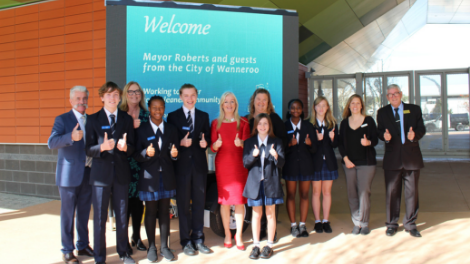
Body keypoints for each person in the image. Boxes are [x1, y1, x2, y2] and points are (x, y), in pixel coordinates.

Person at [85, 81, 136, 264]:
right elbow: (87, 149)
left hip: (121, 175)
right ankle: (100, 257)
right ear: (101, 97)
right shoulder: (92, 119)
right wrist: (101, 147)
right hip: (100, 176)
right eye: (108, 95)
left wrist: (125, 148)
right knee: (99, 219)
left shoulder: (126, 119)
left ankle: (123, 253)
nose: (112, 98)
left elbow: (133, 149)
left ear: (119, 97)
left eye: (115, 95)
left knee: (122, 216)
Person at [48, 85, 94, 264]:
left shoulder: (91, 120)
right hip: (68, 175)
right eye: (78, 99)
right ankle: (67, 250)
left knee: (83, 213)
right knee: (68, 214)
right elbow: (51, 142)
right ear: (71, 100)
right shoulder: (62, 119)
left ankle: (82, 245)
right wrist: (70, 137)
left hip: (88, 173)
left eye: (84, 99)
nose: (82, 102)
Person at [167, 83, 212, 256]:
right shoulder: (172, 117)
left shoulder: (203, 116)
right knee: (184, 205)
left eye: (192, 95)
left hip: (199, 167)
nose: (190, 98)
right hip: (182, 168)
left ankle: (198, 238)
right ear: (180, 97)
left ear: (196, 96)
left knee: (199, 203)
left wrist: (205, 142)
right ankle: (186, 241)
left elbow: (206, 136)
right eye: (186, 95)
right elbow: (169, 142)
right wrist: (180, 143)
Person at [134, 96, 179, 262]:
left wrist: (175, 155)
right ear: (149, 108)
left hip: (166, 176)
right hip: (149, 177)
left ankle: (165, 247)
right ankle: (152, 247)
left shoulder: (172, 129)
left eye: (161, 107)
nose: (158, 111)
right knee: (151, 212)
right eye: (154, 107)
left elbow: (175, 152)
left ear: (164, 108)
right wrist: (145, 153)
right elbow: (135, 154)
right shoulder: (141, 130)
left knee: (165, 211)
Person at [377, 84, 426, 238]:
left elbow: (421, 128)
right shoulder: (382, 112)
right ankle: (392, 224)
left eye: (396, 93)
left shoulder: (414, 109)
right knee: (392, 193)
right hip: (392, 159)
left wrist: (415, 135)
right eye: (390, 94)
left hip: (411, 157)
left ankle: (410, 224)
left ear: (401, 94)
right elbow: (379, 131)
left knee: (412, 193)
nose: (393, 96)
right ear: (387, 97)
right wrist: (383, 137)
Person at [210, 91, 251, 250]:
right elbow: (212, 147)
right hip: (223, 166)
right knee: (225, 202)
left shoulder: (244, 122)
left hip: (239, 166)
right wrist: (216, 146)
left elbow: (248, 147)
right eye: (226, 102)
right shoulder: (215, 123)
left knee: (240, 202)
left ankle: (239, 235)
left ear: (236, 104)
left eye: (232, 101)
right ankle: (227, 234)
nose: (229, 105)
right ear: (222, 105)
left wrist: (241, 143)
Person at [246, 88, 287, 241]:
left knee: (270, 202)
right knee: (257, 201)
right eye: (259, 99)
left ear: (268, 102)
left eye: (265, 100)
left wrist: (276, 156)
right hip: (254, 170)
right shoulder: (248, 120)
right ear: (253, 101)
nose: (261, 102)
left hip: (271, 168)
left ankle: (271, 232)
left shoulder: (274, 119)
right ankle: (260, 230)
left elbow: (283, 140)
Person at [243, 113, 285, 260]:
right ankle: (256, 245)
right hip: (255, 184)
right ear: (256, 126)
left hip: (271, 183)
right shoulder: (249, 142)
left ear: (269, 126)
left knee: (270, 214)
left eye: (265, 124)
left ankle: (269, 245)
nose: (262, 126)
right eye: (259, 124)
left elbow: (281, 164)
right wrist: (253, 155)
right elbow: (245, 163)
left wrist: (276, 156)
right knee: (256, 214)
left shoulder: (277, 142)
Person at [338, 94, 378, 235]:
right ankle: (356, 222)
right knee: (352, 192)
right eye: (352, 103)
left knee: (364, 193)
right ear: (349, 106)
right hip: (349, 163)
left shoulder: (369, 120)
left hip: (366, 163)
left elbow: (375, 139)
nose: (355, 106)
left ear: (361, 106)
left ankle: (364, 223)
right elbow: (340, 144)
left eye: (358, 103)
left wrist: (368, 142)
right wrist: (346, 159)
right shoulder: (344, 123)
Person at [120, 81, 149, 254]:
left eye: (137, 91)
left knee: (138, 203)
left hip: (141, 164)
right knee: (124, 204)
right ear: (125, 94)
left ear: (141, 94)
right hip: (123, 164)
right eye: (130, 91)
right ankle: (123, 240)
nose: (134, 94)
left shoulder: (146, 115)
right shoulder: (120, 114)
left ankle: (136, 236)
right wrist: (131, 126)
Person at [283, 99, 317, 238]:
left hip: (305, 166)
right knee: (290, 195)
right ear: (289, 109)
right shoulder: (284, 126)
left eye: (298, 108)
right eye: (293, 108)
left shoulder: (309, 126)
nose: (295, 110)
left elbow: (315, 149)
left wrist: (310, 144)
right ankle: (293, 225)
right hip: (290, 166)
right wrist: (289, 145)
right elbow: (279, 149)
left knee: (304, 195)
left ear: (302, 110)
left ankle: (302, 225)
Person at [309, 96, 338, 234]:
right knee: (316, 192)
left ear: (327, 108)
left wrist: (333, 139)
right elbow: (307, 146)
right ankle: (317, 221)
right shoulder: (309, 124)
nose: (321, 108)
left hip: (329, 162)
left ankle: (325, 221)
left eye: (324, 105)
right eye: (318, 105)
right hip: (315, 162)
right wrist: (316, 139)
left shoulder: (332, 123)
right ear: (314, 107)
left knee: (327, 192)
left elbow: (336, 144)